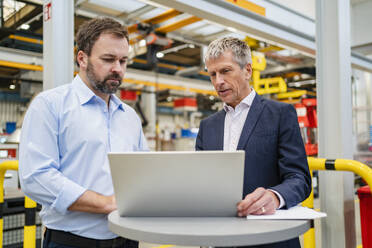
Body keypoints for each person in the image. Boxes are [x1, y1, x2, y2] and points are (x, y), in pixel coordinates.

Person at [19, 17, 147, 248]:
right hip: (72, 242)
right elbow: (36, 177)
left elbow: (144, 172)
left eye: (123, 60)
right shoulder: (50, 106)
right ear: (82, 58)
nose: (117, 68)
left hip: (127, 240)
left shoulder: (129, 117)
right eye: (108, 59)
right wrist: (105, 203)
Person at [196, 37, 311, 248]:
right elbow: (201, 182)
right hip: (219, 238)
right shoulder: (207, 127)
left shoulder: (280, 114)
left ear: (247, 70)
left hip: (270, 239)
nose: (218, 81)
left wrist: (275, 197)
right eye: (213, 74)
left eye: (225, 71)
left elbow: (299, 179)